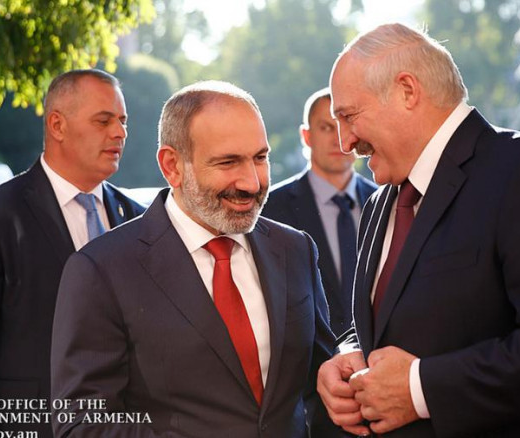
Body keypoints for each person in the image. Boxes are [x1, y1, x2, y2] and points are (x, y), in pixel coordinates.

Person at [316, 23, 520, 438]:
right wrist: (349, 357)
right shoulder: (381, 204)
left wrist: (420, 389)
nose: (344, 142)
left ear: (407, 91)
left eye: (348, 116)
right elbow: (403, 318)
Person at [51, 81, 341, 437]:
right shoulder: (101, 270)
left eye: (260, 158)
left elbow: (323, 385)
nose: (252, 183)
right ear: (172, 165)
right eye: (228, 162)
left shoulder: (294, 249)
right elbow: (81, 424)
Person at [0, 69, 145, 436]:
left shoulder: (137, 218)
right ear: (57, 125)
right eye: (103, 120)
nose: (120, 132)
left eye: (123, 121)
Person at [263, 87, 377, 335]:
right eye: (326, 128)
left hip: (377, 351)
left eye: (345, 126)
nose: (338, 139)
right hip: (307, 353)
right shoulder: (269, 208)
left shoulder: (385, 201)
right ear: (306, 136)